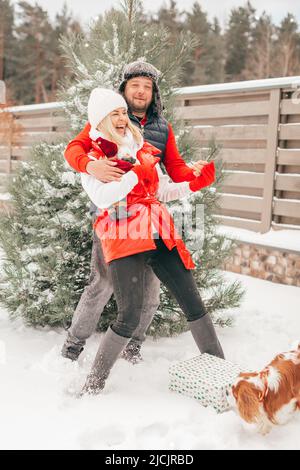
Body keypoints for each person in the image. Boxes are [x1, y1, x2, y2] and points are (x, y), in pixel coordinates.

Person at [62, 61, 210, 363]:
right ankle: (73, 345)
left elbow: (174, 168)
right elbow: (73, 150)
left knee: (151, 293)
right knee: (102, 285)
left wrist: (193, 176)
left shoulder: (161, 128)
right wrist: (90, 166)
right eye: (135, 85)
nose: (141, 91)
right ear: (124, 89)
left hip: (150, 220)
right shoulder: (109, 116)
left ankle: (132, 347)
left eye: (147, 86)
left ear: (153, 92)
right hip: (115, 216)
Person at [79, 87, 224, 395]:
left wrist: (193, 184)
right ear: (100, 120)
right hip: (123, 232)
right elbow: (102, 197)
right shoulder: (94, 157)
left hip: (158, 228)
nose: (121, 117)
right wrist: (132, 174)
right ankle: (92, 386)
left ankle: (221, 375)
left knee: (192, 301)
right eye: (113, 113)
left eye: (122, 112)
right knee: (129, 315)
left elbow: (160, 190)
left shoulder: (141, 147)